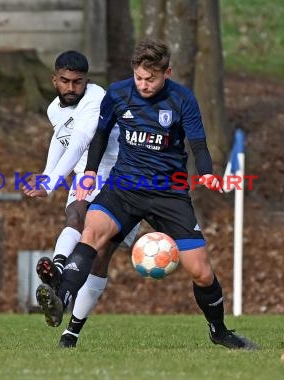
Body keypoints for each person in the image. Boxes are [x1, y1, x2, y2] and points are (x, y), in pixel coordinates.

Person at [37, 39, 257, 350]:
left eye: (150, 79)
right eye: (139, 77)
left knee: (201, 271)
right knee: (92, 233)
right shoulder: (118, 93)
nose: (143, 85)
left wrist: (207, 173)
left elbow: (198, 145)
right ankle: (61, 298)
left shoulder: (183, 100)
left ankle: (219, 331)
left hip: (169, 194)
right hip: (123, 188)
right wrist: (89, 174)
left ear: (167, 72)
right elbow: (99, 134)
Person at [21, 50, 137, 328]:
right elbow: (61, 140)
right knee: (75, 213)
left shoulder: (97, 99)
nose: (71, 88)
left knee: (101, 256)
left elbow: (80, 142)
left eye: (77, 82)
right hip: (85, 175)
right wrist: (47, 174)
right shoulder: (53, 109)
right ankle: (58, 270)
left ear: (87, 80)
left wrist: (50, 184)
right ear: (54, 79)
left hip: (118, 174)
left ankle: (73, 327)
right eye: (65, 81)